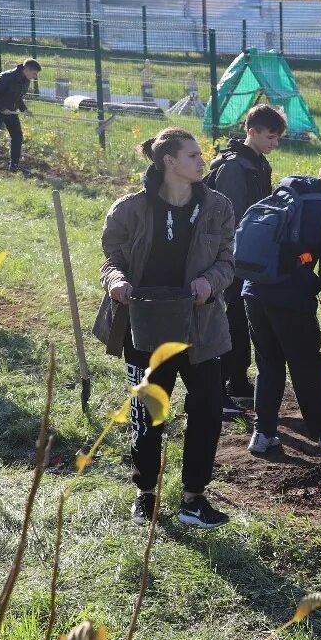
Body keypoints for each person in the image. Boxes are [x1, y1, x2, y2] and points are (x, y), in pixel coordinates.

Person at [93, 128, 235, 529]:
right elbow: (110, 260)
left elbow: (227, 260)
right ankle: (146, 496)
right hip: (146, 326)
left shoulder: (218, 206)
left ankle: (194, 499)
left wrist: (211, 282)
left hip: (202, 326)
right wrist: (115, 282)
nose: (201, 160)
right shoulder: (130, 210)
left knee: (207, 410)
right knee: (149, 413)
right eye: (192, 155)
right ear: (169, 161)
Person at [242, 160, 321, 454]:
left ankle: (263, 434)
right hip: (291, 300)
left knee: (268, 364)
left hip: (253, 292)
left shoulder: (286, 194)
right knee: (306, 365)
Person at [205, 105, 286, 416]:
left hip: (250, 255)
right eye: (270, 136)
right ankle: (219, 390)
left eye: (278, 138)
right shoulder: (235, 168)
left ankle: (238, 384)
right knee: (231, 322)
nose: (274, 143)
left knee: (243, 320)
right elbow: (233, 217)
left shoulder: (257, 162)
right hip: (231, 257)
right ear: (251, 131)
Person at [0, 58, 40, 174]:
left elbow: (18, 98)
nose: (35, 76)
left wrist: (24, 109)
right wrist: (2, 108)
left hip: (11, 111)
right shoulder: (8, 76)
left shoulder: (26, 81)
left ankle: (14, 167)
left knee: (17, 136)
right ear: (27, 70)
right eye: (34, 73)